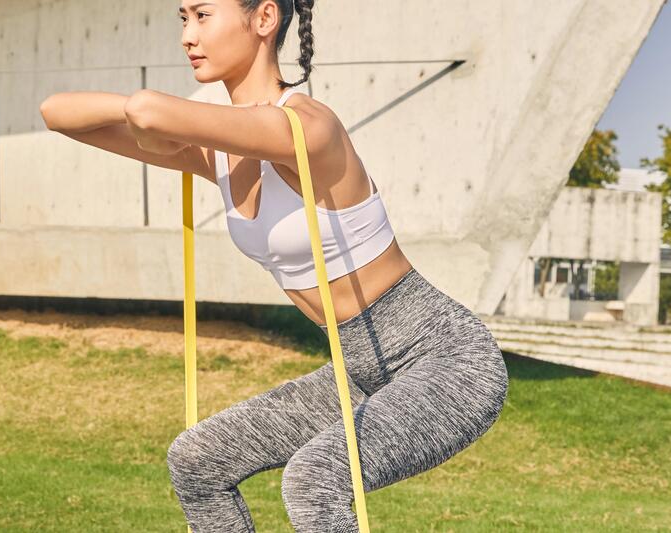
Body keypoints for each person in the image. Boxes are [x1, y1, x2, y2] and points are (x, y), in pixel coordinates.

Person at [40, 1, 509, 531]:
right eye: (182, 19)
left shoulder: (309, 127)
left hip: (444, 358)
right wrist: (146, 117)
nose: (187, 36)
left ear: (264, 19)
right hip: (357, 365)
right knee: (198, 461)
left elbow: (148, 112)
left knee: (315, 478)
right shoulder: (216, 154)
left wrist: (147, 117)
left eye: (203, 15)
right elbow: (57, 112)